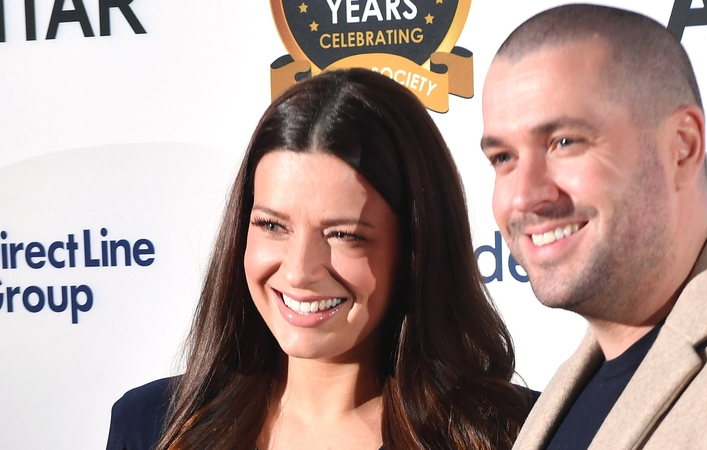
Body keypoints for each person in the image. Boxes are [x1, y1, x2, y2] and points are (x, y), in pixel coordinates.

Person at [106, 68, 537, 450]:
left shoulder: (517, 434)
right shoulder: (151, 427)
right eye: (272, 226)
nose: (298, 271)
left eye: (344, 235)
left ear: (414, 252)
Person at [481, 4, 707, 449]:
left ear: (682, 148)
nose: (523, 195)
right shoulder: (570, 384)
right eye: (503, 158)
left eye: (565, 142)